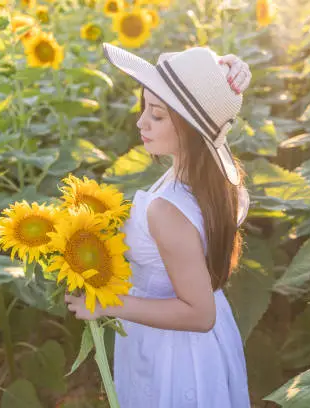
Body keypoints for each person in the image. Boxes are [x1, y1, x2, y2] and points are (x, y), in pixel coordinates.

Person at [64, 43, 252, 408]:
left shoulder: (167, 210)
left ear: (192, 129)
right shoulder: (209, 182)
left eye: (158, 115)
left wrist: (105, 304)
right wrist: (220, 67)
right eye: (144, 108)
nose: (141, 122)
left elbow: (199, 315)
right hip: (191, 346)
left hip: (174, 350)